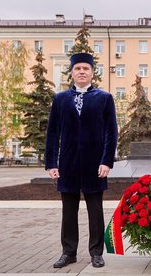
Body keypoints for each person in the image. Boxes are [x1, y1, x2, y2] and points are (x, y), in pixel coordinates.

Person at [44, 53, 118, 269]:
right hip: (68, 164)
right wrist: (51, 163)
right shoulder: (60, 99)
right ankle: (68, 252)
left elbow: (111, 132)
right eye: (78, 68)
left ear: (93, 73)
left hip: (95, 165)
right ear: (72, 72)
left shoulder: (104, 98)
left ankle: (96, 253)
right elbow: (52, 133)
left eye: (86, 68)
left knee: (95, 210)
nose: (82, 72)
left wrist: (107, 161)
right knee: (68, 212)